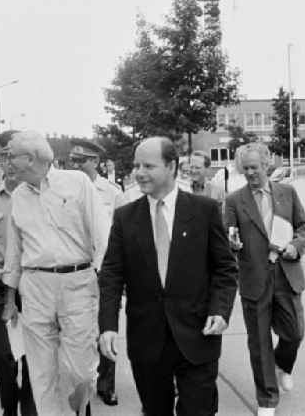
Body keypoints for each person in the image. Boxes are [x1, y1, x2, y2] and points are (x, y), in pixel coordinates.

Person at [98, 136, 238, 416]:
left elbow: (225, 268)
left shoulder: (204, 211)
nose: (139, 173)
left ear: (172, 166)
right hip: (147, 340)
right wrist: (108, 325)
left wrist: (220, 311)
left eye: (148, 166)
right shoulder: (125, 217)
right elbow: (112, 275)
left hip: (198, 334)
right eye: (137, 165)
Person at [1, 131, 110, 415]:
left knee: (82, 370)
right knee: (40, 372)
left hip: (78, 282)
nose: (6, 160)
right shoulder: (19, 196)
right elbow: (14, 252)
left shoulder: (77, 183)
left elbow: (102, 235)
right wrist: (9, 298)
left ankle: (77, 408)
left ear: (31, 158)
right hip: (35, 285)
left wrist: (104, 284)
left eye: (11, 155)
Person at [223, 143, 305, 416]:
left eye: (254, 167)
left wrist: (297, 245)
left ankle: (282, 364)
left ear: (266, 165)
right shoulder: (235, 200)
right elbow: (228, 237)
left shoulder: (287, 193)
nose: (250, 173)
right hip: (254, 278)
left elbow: (304, 227)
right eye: (245, 168)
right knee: (259, 342)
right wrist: (233, 244)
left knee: (295, 332)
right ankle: (267, 400)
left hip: (286, 274)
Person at [0, 129, 38, 416]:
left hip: (34, 286)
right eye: (4, 156)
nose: (8, 162)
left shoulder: (40, 194)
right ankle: (9, 403)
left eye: (12, 156)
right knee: (3, 356)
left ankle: (28, 407)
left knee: (33, 355)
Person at [68, 138, 126, 407]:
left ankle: (107, 383)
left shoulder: (111, 192)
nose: (75, 165)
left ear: (95, 162)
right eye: (73, 160)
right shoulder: (63, 189)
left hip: (104, 269)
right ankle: (80, 383)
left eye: (81, 160)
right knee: (76, 329)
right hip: (73, 268)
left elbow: (122, 233)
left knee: (106, 325)